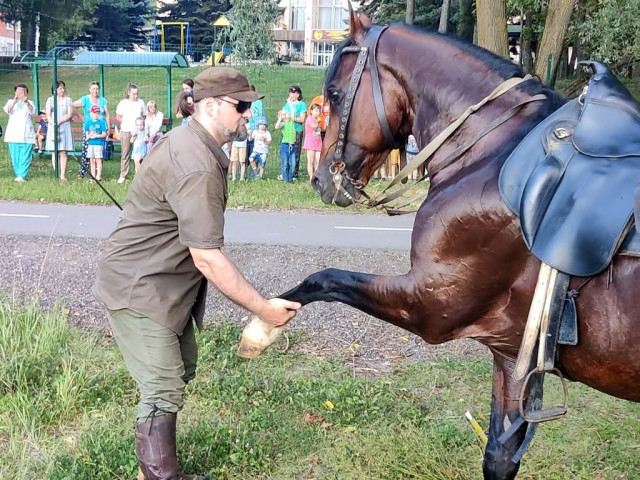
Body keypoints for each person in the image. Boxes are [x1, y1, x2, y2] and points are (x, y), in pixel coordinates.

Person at [93, 67, 301, 480]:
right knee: (164, 387)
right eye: (240, 106)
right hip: (141, 287)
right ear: (210, 106)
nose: (248, 114)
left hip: (162, 283)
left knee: (179, 371)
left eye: (250, 106)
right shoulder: (196, 164)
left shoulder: (194, 144)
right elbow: (207, 257)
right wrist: (265, 310)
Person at [72, 81, 110, 179]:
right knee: (87, 152)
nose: (95, 91)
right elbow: (72, 105)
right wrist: (80, 116)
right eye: (93, 89)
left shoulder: (103, 100)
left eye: (97, 89)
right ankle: (83, 171)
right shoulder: (85, 99)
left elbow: (107, 114)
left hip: (100, 130)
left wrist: (108, 128)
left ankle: (98, 174)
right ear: (90, 89)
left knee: (99, 153)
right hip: (89, 129)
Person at [3, 83, 36, 182]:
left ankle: (22, 175)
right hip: (13, 134)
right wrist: (15, 100)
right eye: (19, 91)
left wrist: (26, 102)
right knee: (15, 156)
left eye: (23, 91)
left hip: (26, 134)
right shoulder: (10, 101)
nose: (21, 93)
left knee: (25, 155)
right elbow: (8, 110)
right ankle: (18, 174)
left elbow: (32, 111)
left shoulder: (30, 102)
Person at [115, 83, 146, 184]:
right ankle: (123, 174)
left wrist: (140, 127)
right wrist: (125, 124)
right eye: (134, 94)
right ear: (129, 93)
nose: (136, 96)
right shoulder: (123, 103)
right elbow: (118, 116)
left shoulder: (141, 102)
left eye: (137, 94)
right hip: (126, 131)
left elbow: (144, 116)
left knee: (140, 153)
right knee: (125, 153)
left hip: (139, 132)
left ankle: (140, 174)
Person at [45, 80, 75, 181]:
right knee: (55, 151)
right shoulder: (50, 100)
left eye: (63, 87)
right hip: (53, 126)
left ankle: (63, 175)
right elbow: (48, 114)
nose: (62, 90)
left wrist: (60, 121)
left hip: (64, 125)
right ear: (55, 89)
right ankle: (56, 173)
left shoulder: (68, 100)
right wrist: (52, 123)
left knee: (63, 151)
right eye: (60, 88)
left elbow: (70, 113)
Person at [281, 85, 306, 180]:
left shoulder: (301, 104)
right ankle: (285, 172)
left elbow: (302, 119)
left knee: (295, 152)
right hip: (287, 130)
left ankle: (294, 173)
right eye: (291, 92)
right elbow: (282, 114)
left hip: (297, 130)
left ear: (298, 94)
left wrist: (292, 118)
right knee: (285, 152)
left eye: (294, 93)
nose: (292, 94)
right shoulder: (287, 105)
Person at [84, 105, 108, 182]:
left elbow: (104, 134)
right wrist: (88, 136)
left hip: (98, 143)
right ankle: (93, 176)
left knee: (98, 160)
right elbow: (86, 132)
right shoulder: (88, 123)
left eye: (98, 113)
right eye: (94, 113)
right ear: (91, 113)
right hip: (91, 144)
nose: (96, 115)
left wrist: (97, 136)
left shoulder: (101, 123)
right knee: (92, 160)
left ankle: (98, 176)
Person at [246, 85, 265, 172]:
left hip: (256, 129)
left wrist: (259, 128)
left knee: (256, 149)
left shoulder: (258, 103)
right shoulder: (245, 102)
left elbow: (261, 116)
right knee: (246, 151)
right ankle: (245, 170)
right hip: (248, 128)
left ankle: (255, 171)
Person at [275, 109, 297, 183]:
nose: (286, 115)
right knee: (285, 163)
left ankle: (290, 178)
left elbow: (293, 113)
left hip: (293, 145)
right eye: (284, 114)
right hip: (285, 145)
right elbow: (276, 126)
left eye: (287, 113)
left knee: (293, 163)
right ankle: (285, 178)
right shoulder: (283, 124)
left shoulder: (291, 121)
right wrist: (280, 119)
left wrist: (291, 104)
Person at [303, 103, 322, 181]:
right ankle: (311, 177)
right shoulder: (309, 119)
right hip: (310, 142)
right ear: (311, 111)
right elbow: (313, 126)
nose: (318, 113)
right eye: (316, 111)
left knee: (318, 160)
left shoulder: (317, 120)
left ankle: (317, 177)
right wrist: (318, 122)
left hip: (318, 142)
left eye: (319, 111)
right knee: (310, 160)